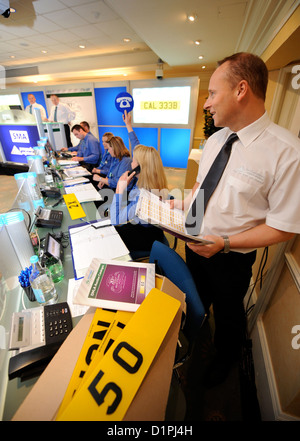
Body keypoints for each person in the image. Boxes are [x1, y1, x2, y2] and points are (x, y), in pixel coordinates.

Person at [170, 52, 300, 387]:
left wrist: (224, 243)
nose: (206, 104)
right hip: (194, 245)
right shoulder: (215, 140)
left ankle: (223, 364)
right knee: (192, 302)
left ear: (241, 90)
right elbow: (201, 191)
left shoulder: (287, 152)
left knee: (228, 319)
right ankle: (194, 343)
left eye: (213, 93)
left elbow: (283, 226)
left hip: (230, 259)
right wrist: (174, 204)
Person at [110, 144, 168, 254]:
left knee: (111, 236)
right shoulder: (148, 183)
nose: (131, 163)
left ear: (140, 167)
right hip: (149, 230)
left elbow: (115, 220)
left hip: (147, 238)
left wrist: (119, 189)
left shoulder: (145, 196)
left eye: (133, 160)